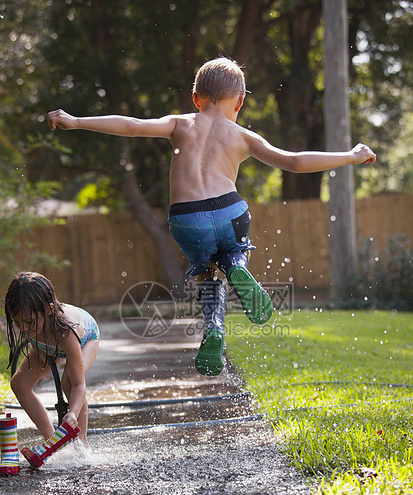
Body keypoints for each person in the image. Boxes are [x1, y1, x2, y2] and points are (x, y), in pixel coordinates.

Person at [47, 57, 376, 376]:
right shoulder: (243, 136)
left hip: (187, 219)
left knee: (206, 273)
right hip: (230, 210)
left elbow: (132, 126)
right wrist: (350, 156)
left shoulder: (181, 123)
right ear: (239, 104)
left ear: (196, 98)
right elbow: (293, 161)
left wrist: (76, 121)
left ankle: (214, 329)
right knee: (233, 250)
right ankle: (236, 268)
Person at [5, 271, 100, 460]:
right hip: (47, 345)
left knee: (69, 380)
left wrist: (72, 413)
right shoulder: (32, 321)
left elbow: (79, 385)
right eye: (17, 322)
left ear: (48, 309)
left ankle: (82, 447)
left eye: (28, 322)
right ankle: (53, 443)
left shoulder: (66, 329)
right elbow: (31, 331)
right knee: (19, 384)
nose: (23, 328)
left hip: (86, 338)